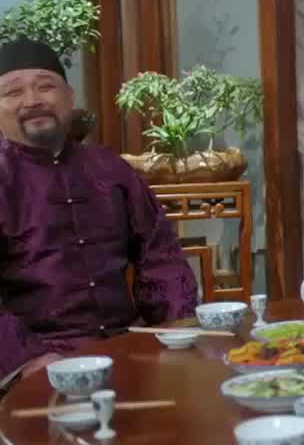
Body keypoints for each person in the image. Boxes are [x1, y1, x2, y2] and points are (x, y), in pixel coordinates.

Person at [0, 39, 197, 384]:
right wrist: (30, 360)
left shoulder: (109, 168)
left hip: (125, 347)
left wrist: (174, 327)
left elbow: (160, 255)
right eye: (13, 92)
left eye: (45, 86)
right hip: (37, 363)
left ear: (70, 98)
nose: (32, 101)